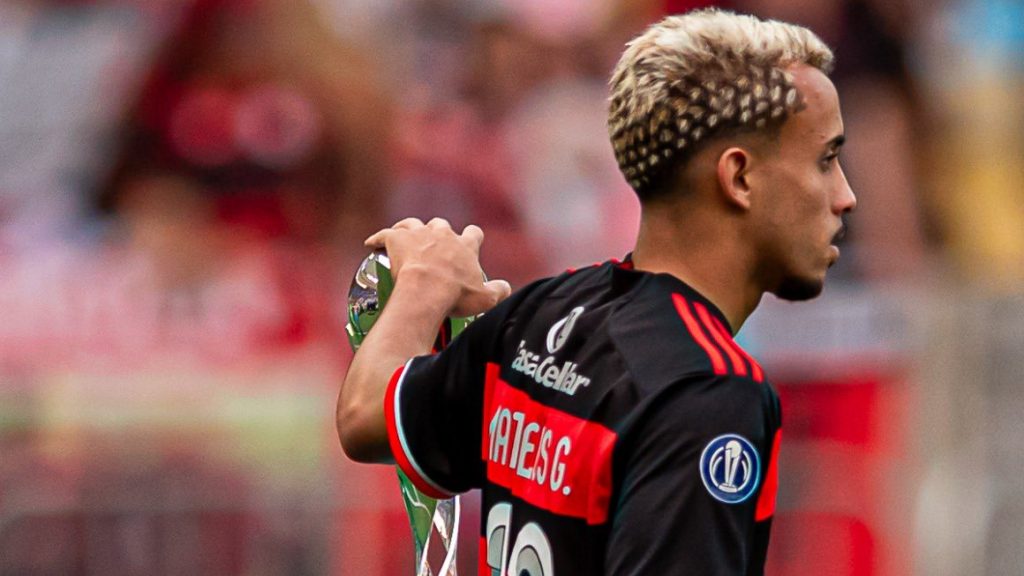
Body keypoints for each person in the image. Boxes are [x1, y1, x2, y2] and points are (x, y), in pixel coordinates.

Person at [338, 8, 855, 575]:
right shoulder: (705, 392)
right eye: (826, 159)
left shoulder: (538, 316)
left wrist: (421, 285)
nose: (845, 195)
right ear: (739, 177)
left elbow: (366, 417)